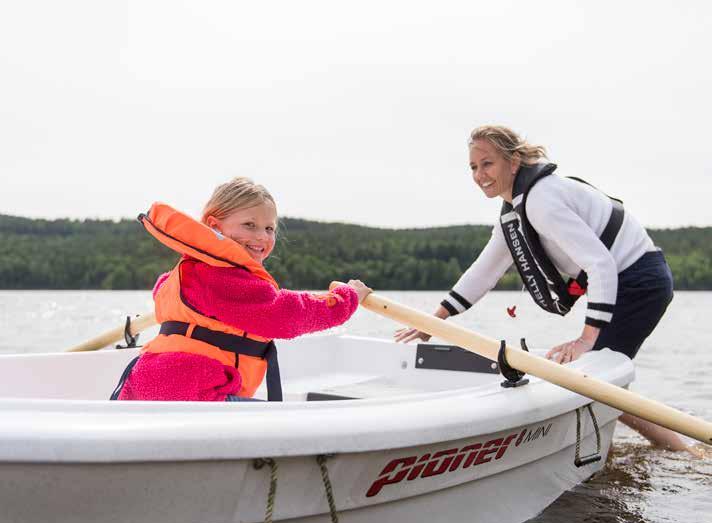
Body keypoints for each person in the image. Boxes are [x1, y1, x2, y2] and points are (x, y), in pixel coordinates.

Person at [395, 124, 691, 452]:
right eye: (473, 167)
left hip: (641, 282)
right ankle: (668, 449)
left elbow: (601, 264)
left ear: (514, 162)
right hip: (627, 281)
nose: (480, 174)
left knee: (594, 378)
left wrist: (585, 339)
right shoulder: (514, 211)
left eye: (488, 163)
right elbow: (483, 272)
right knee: (598, 379)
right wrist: (431, 323)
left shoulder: (541, 201)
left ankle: (683, 451)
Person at [115, 177, 371, 402]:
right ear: (214, 226)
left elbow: (162, 289)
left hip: (145, 388)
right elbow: (284, 314)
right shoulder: (223, 278)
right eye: (249, 225)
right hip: (192, 395)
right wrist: (346, 298)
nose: (262, 236)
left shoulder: (184, 274)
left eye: (269, 228)